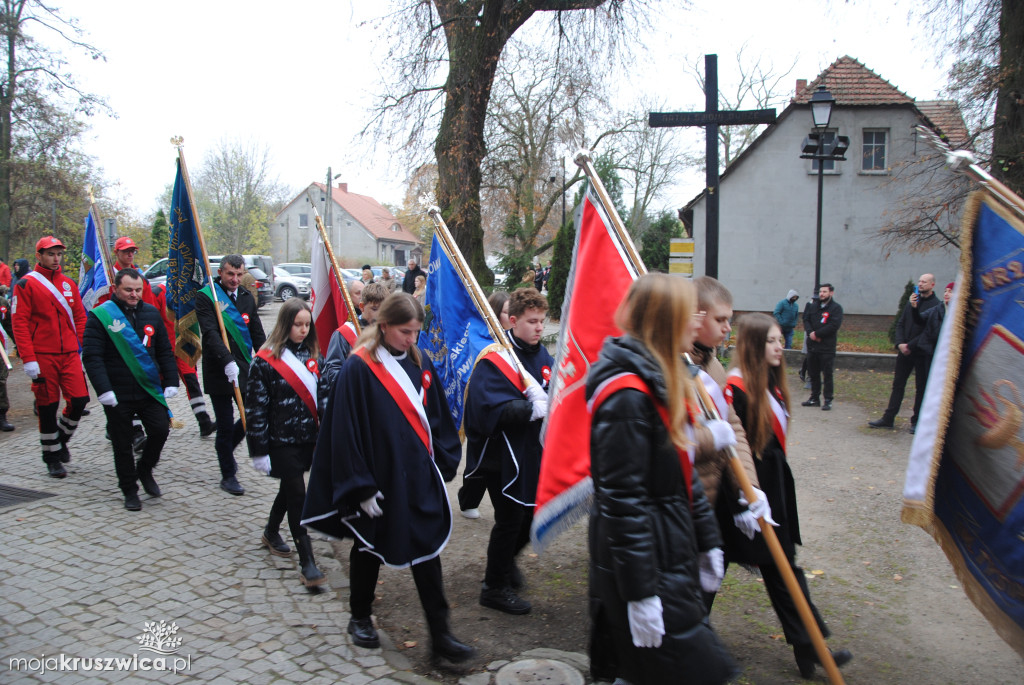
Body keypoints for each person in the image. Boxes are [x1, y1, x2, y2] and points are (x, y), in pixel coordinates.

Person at [301, 293, 474, 663]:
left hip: (416, 477)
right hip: (377, 480)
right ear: (384, 326)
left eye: (416, 332)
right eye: (405, 332)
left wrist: (442, 463)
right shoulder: (359, 368)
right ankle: (359, 617)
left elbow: (439, 416)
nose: (412, 339)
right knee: (369, 548)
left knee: (428, 551)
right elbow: (345, 431)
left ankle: (441, 636)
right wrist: (359, 486)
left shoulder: (421, 361)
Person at [586, 273, 737, 685]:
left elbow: (681, 476)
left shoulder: (663, 376)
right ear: (668, 321)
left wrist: (708, 541)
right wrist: (641, 592)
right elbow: (622, 499)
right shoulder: (629, 394)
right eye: (692, 315)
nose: (697, 324)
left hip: (665, 547)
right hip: (643, 557)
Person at [723, 313, 853, 678]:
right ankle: (684, 641)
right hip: (743, 495)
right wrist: (740, 500)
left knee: (783, 567)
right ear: (753, 345)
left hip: (772, 488)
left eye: (781, 340)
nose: (780, 346)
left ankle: (809, 648)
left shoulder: (771, 385)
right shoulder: (736, 387)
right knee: (711, 568)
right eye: (772, 341)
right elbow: (732, 451)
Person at [463, 288, 553, 615]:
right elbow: (484, 408)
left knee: (531, 517)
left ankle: (505, 562)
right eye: (532, 322)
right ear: (513, 321)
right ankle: (493, 587)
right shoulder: (496, 357)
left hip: (534, 453)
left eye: (542, 321)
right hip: (501, 458)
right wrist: (529, 409)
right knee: (510, 519)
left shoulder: (543, 356)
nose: (539, 328)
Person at [688, 277, 770, 587]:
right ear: (695, 316)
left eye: (730, 320)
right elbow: (666, 441)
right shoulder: (672, 367)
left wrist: (749, 486)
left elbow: (733, 426)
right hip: (685, 502)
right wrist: (711, 439)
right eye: (720, 319)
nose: (728, 329)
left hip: (713, 498)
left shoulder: (713, 366)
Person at [246, 298, 331, 587]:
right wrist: (258, 450)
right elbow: (255, 408)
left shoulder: (314, 356)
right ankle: (307, 561)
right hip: (280, 440)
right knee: (297, 493)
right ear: (285, 324)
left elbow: (323, 399)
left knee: (289, 488)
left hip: (309, 437)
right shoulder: (264, 360)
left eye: (307, 325)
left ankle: (271, 531)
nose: (303, 330)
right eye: (298, 325)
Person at [83, 269, 179, 510]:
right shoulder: (100, 316)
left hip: (147, 389)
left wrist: (171, 381)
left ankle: (145, 470)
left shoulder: (151, 313)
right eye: (128, 290)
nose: (134, 295)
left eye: (138, 290)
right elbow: (93, 357)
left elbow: (164, 350)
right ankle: (129, 489)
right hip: (117, 392)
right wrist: (104, 390)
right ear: (116, 288)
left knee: (159, 430)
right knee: (122, 443)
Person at [12, 236, 89, 478]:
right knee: (47, 406)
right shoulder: (25, 285)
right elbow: (20, 324)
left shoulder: (68, 284)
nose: (56, 259)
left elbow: (79, 317)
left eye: (58, 254)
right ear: (39, 256)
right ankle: (51, 456)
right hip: (42, 354)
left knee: (79, 400)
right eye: (50, 254)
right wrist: (29, 359)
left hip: (69, 353)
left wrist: (85, 346)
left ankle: (60, 439)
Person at [195, 254, 267, 496]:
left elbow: (256, 331)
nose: (235, 279)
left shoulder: (246, 298)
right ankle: (228, 474)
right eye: (230, 274)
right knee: (225, 424)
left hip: (244, 367)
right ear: (220, 273)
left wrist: (267, 357)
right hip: (220, 368)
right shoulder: (208, 297)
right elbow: (210, 333)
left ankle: (226, 451)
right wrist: (226, 361)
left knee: (252, 417)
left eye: (239, 274)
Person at [458, 289, 512, 519]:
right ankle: (468, 499)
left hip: (502, 408)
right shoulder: (480, 338)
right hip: (481, 408)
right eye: (507, 313)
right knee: (479, 459)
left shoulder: (511, 339)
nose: (511, 318)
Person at [869, 274, 939, 433]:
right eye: (920, 281)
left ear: (932, 285)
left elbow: (928, 331)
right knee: (898, 384)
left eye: (924, 282)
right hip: (904, 351)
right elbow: (900, 323)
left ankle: (917, 421)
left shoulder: (936, 305)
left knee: (921, 387)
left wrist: (910, 345)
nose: (920, 284)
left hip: (921, 352)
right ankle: (888, 418)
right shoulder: (912, 302)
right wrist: (899, 343)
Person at [323, 282, 387, 387]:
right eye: (374, 309)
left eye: (384, 309)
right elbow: (333, 370)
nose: (380, 314)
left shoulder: (388, 333)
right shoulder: (344, 333)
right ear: (362, 307)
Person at [801, 283, 843, 410]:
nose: (822, 294)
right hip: (813, 346)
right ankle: (814, 398)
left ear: (831, 293)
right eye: (820, 292)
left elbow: (834, 325)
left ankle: (828, 400)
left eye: (824, 292)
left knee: (827, 374)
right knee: (813, 373)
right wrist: (811, 333)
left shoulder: (836, 308)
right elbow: (806, 319)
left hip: (826, 348)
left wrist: (819, 334)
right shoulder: (814, 307)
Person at [0, 285, 14, 431]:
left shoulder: (2, 302)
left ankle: (1, 415)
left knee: (0, 379)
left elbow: (10, 325)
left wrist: (19, 344)